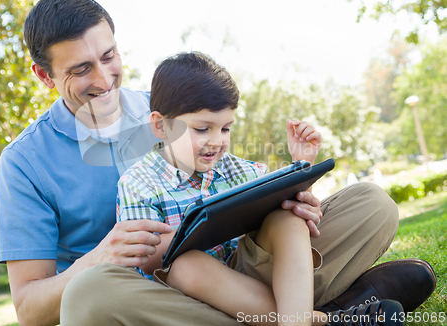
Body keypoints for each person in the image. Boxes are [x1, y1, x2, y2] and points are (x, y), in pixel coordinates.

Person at [0, 0, 436, 326]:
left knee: (371, 205)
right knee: (88, 294)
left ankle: (298, 313)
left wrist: (294, 200)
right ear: (44, 75)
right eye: (80, 69)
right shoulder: (24, 163)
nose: (103, 78)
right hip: (153, 296)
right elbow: (29, 308)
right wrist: (100, 256)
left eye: (108, 56)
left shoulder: (171, 104)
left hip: (235, 270)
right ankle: (328, 313)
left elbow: (232, 187)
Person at [116, 51, 405, 326]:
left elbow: (283, 234)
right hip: (193, 301)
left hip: (259, 277)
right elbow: (145, 261)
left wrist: (300, 182)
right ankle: (324, 318)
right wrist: (200, 230)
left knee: (369, 202)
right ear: (160, 126)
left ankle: (295, 314)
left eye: (225, 128)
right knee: (186, 265)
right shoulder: (139, 183)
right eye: (202, 129)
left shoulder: (245, 171)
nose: (217, 141)